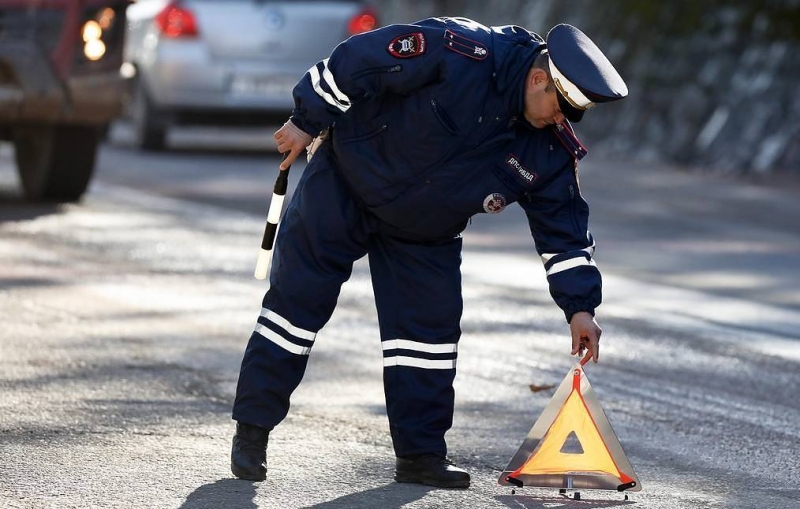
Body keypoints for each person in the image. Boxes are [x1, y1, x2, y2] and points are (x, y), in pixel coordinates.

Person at [230, 17, 628, 489]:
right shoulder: (462, 51)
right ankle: (252, 432)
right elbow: (361, 58)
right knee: (293, 312)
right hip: (345, 183)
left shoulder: (548, 149)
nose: (560, 119)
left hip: (425, 231)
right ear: (538, 78)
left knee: (428, 342)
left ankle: (420, 457)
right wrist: (306, 119)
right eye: (559, 107)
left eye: (569, 115)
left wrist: (580, 307)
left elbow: (564, 233)